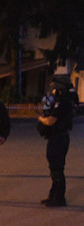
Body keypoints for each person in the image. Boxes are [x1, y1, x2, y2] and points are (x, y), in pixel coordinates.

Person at [37, 74, 77, 208]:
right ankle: (53, 196)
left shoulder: (63, 102)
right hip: (56, 137)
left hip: (59, 138)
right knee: (54, 168)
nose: (53, 90)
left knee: (57, 169)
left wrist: (41, 119)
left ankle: (59, 198)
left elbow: (50, 121)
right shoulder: (62, 100)